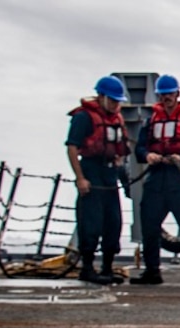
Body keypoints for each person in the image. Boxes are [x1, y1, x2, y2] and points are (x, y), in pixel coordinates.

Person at [130, 74, 180, 287]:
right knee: (150, 227)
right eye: (163, 95)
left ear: (177, 94)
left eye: (170, 94)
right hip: (156, 179)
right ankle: (152, 270)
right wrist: (148, 156)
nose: (166, 98)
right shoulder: (151, 119)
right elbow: (140, 148)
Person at [66, 75, 130, 285]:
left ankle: (107, 267)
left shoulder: (116, 120)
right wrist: (80, 178)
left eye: (117, 101)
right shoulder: (84, 117)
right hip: (92, 172)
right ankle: (87, 267)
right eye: (112, 100)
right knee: (90, 223)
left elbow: (122, 146)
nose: (115, 104)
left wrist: (120, 160)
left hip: (110, 174)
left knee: (113, 222)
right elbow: (72, 147)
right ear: (101, 96)